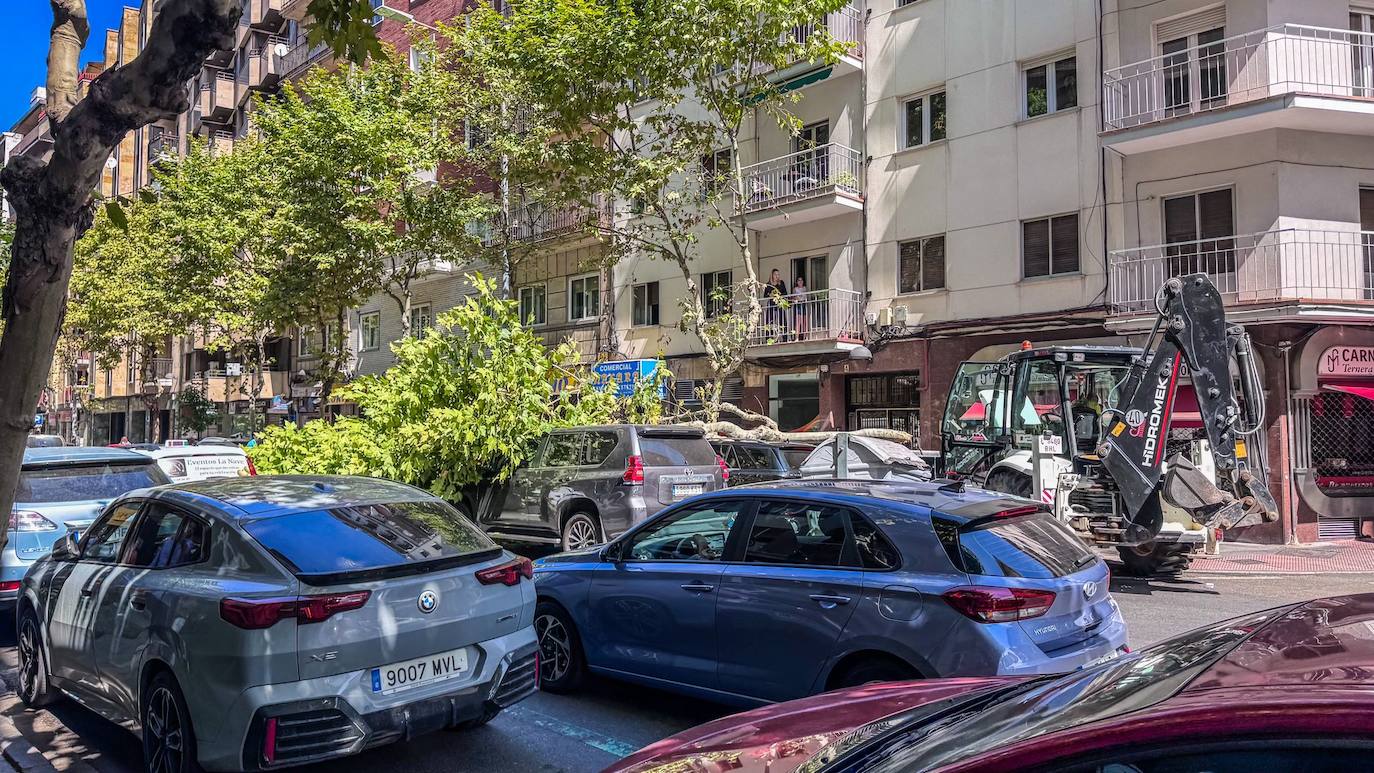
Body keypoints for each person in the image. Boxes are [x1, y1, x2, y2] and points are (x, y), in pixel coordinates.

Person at [763, 269, 788, 340]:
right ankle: (768, 338)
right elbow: (765, 295)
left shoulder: (781, 283)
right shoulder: (768, 284)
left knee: (782, 320)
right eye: (775, 274)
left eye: (778, 274)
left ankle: (784, 338)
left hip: (779, 303)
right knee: (769, 321)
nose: (777, 276)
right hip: (771, 304)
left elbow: (785, 293)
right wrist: (770, 295)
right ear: (772, 275)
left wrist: (778, 295)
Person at [791, 275, 810, 339]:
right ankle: (796, 338)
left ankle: (805, 337)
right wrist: (797, 298)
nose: (800, 281)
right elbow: (794, 297)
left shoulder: (805, 288)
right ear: (797, 282)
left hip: (804, 304)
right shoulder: (795, 289)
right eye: (799, 280)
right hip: (798, 305)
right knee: (798, 322)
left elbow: (806, 296)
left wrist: (800, 297)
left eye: (801, 280)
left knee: (805, 321)